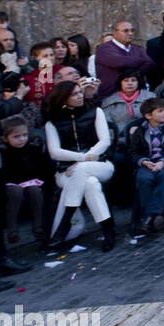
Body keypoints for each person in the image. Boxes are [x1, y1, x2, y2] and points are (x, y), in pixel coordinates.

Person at [42, 80, 117, 252]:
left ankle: (65, 222)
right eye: (74, 94)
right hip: (66, 172)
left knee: (82, 170)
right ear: (63, 98)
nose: (80, 96)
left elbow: (105, 141)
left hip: (100, 165)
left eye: (79, 92)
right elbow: (55, 152)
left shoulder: (95, 111)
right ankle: (108, 230)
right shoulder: (52, 122)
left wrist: (81, 161)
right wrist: (83, 158)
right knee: (90, 183)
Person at [127, 97, 164, 232]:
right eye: (160, 111)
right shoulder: (140, 131)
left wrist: (163, 162)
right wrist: (144, 161)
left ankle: (149, 216)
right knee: (144, 178)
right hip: (147, 163)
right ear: (148, 115)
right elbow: (133, 152)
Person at [1, 116, 47, 250]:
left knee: (35, 193)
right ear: (6, 138)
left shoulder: (31, 148)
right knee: (15, 194)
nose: (22, 139)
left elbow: (38, 166)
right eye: (16, 137)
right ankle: (12, 230)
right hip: (11, 181)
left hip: (28, 179)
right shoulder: (4, 151)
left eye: (24, 135)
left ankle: (38, 227)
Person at [89, 19, 154, 98]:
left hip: (136, 96)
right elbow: (119, 62)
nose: (130, 33)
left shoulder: (137, 48)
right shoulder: (104, 48)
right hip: (112, 96)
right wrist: (139, 61)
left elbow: (149, 63)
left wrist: (134, 74)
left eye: (132, 30)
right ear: (114, 32)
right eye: (125, 31)